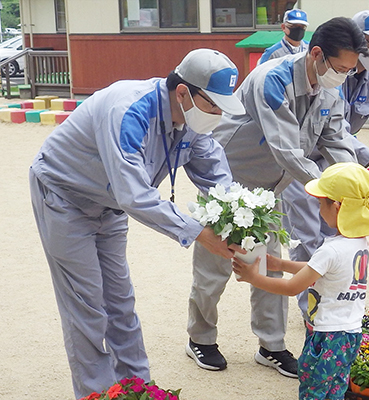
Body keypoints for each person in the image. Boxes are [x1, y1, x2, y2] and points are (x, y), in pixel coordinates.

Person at [29, 48, 245, 399]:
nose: (218, 115)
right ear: (183, 92)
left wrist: (235, 220)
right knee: (87, 308)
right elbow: (135, 196)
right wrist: (201, 234)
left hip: (109, 205)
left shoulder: (193, 119)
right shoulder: (128, 109)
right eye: (214, 106)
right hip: (64, 198)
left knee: (121, 304)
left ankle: (139, 390)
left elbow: (214, 173)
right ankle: (96, 394)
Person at [186, 17, 367, 377]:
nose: (344, 76)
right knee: (216, 264)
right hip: (230, 180)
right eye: (340, 68)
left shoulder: (332, 87)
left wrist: (355, 184)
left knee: (267, 260)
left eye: (350, 70)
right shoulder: (273, 78)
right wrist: (332, 190)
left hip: (272, 186)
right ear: (316, 54)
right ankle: (200, 338)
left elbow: (336, 141)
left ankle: (271, 345)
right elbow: (286, 149)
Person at [279, 9, 369, 314]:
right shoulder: (330, 71)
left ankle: (334, 296)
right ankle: (309, 306)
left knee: (338, 229)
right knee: (306, 233)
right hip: (303, 163)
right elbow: (333, 130)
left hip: (338, 160)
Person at [233, 162, 369, 400]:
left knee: (313, 389)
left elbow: (293, 288)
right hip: (350, 332)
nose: (318, 208)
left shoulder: (331, 249)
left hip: (327, 335)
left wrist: (254, 278)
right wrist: (282, 265)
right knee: (335, 390)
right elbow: (319, 271)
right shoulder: (359, 242)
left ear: (336, 207)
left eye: (320, 202)